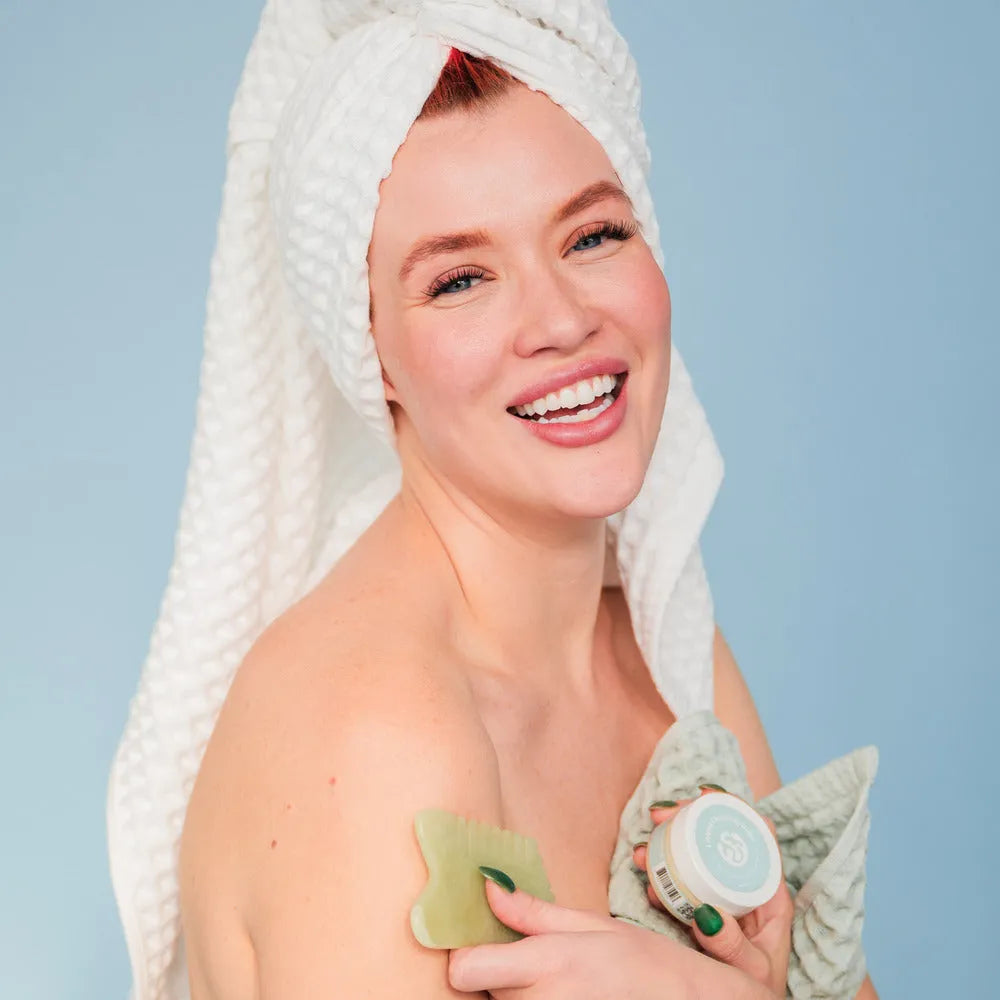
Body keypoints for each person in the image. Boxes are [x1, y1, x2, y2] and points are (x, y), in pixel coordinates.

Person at [107, 4, 879, 999]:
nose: (560, 319)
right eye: (461, 278)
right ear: (369, 345)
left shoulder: (661, 645)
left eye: (592, 234)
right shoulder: (375, 734)